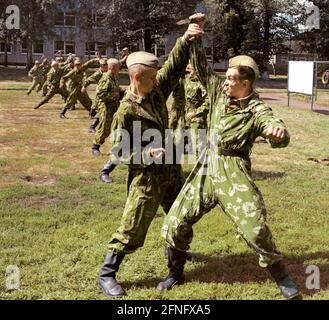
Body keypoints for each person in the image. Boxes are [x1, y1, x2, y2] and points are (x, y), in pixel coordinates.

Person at [158, 13, 301, 300]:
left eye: (232, 79)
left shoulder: (256, 109)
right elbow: (199, 64)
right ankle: (175, 272)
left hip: (232, 170)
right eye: (226, 78)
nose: (226, 82)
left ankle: (283, 279)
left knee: (255, 227)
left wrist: (278, 133)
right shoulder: (217, 93)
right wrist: (194, 34)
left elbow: (274, 125)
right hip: (205, 165)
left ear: (246, 84)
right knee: (175, 222)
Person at [98, 20, 204, 298]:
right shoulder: (126, 111)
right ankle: (107, 274)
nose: (158, 79)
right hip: (146, 179)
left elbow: (173, 67)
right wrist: (146, 153)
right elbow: (120, 151)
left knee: (181, 220)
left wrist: (186, 38)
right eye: (152, 75)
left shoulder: (155, 91)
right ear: (137, 77)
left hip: (171, 172)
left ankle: (176, 272)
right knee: (132, 228)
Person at [91, 58, 125, 157]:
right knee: (104, 128)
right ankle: (95, 147)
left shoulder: (113, 78)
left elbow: (117, 89)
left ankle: (118, 148)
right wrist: (116, 96)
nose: (119, 70)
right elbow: (100, 93)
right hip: (106, 107)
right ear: (113, 68)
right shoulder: (105, 78)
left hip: (114, 106)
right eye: (118, 68)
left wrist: (124, 92)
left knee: (117, 127)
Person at [82, 58, 108, 133]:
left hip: (108, 94)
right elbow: (89, 79)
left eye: (106, 65)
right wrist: (84, 86)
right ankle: (92, 126)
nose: (104, 66)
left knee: (99, 109)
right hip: (101, 95)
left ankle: (92, 115)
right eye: (103, 65)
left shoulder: (109, 72)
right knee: (101, 111)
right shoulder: (98, 73)